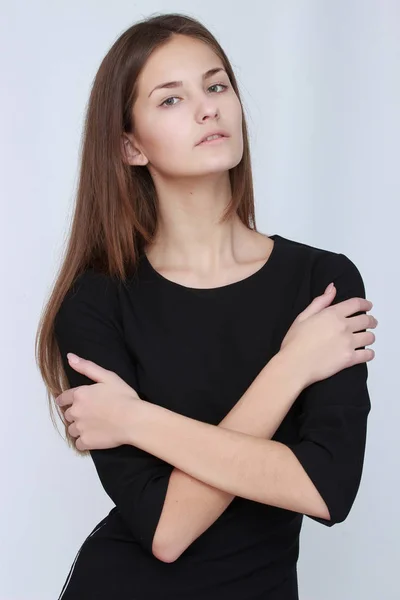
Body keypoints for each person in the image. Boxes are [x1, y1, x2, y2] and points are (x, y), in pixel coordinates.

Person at [35, 12, 378, 600]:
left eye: (216, 86)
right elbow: (169, 529)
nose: (207, 108)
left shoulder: (321, 281)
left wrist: (136, 418)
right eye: (171, 100)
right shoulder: (96, 303)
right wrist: (292, 366)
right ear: (129, 146)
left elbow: (325, 488)